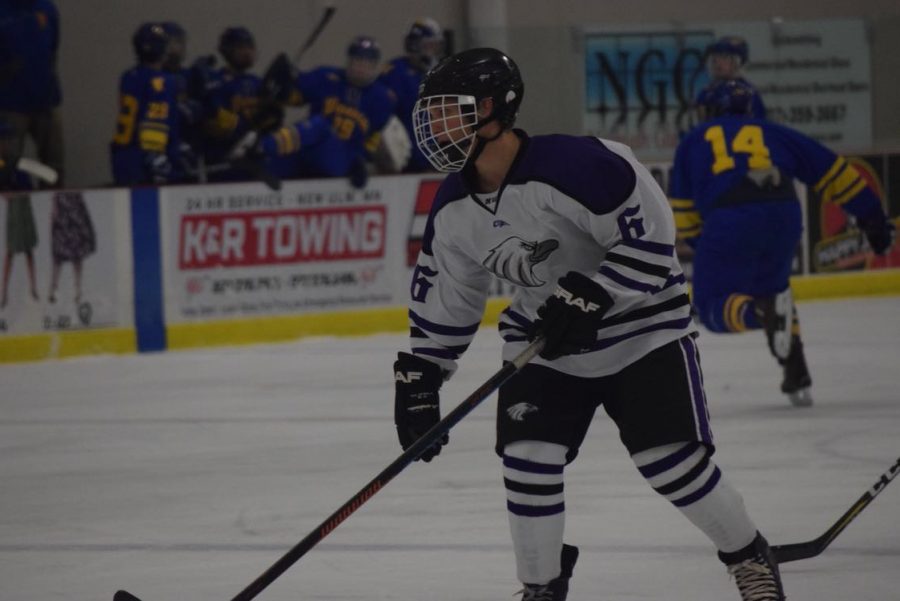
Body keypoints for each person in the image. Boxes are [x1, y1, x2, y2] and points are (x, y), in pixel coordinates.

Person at [392, 48, 786, 601]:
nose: (434, 126)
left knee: (670, 464)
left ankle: (749, 555)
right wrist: (422, 376)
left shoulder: (578, 165)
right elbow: (448, 297)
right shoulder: (453, 206)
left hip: (643, 332)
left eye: (446, 111)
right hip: (546, 344)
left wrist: (597, 294)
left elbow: (652, 240)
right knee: (528, 461)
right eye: (429, 114)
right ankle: (542, 586)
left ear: (493, 108)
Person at [670, 79, 895, 407]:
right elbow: (835, 172)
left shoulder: (692, 141)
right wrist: (872, 219)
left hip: (730, 217)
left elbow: (683, 210)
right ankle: (796, 370)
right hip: (785, 214)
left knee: (710, 305)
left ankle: (759, 315)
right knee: (774, 291)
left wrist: (707, 244)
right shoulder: (774, 132)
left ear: (712, 110)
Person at [248, 36, 394, 187]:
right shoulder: (326, 76)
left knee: (320, 125)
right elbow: (295, 97)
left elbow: (373, 138)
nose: (361, 68)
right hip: (311, 151)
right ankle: (255, 162)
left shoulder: (383, 98)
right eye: (357, 61)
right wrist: (283, 87)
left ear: (375, 66)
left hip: (341, 159)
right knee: (280, 161)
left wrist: (361, 160)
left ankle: (261, 147)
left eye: (367, 64)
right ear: (349, 61)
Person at [0, 0, 64, 187]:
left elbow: (53, 49)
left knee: (54, 163)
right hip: (10, 104)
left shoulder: (47, 9)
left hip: (46, 101)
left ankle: (55, 206)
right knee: (7, 162)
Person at [109, 23, 181, 186]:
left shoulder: (129, 76)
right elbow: (155, 122)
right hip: (144, 160)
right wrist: (156, 157)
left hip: (122, 153)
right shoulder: (161, 81)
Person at [378, 18, 445, 172]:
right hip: (406, 163)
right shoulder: (394, 73)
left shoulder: (441, 73)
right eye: (428, 46)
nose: (432, 53)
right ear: (414, 46)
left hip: (437, 160)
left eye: (435, 46)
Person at [695, 36, 766, 120]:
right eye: (715, 57)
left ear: (738, 62)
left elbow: (759, 125)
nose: (717, 62)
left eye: (725, 57)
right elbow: (702, 127)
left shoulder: (749, 93)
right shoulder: (707, 93)